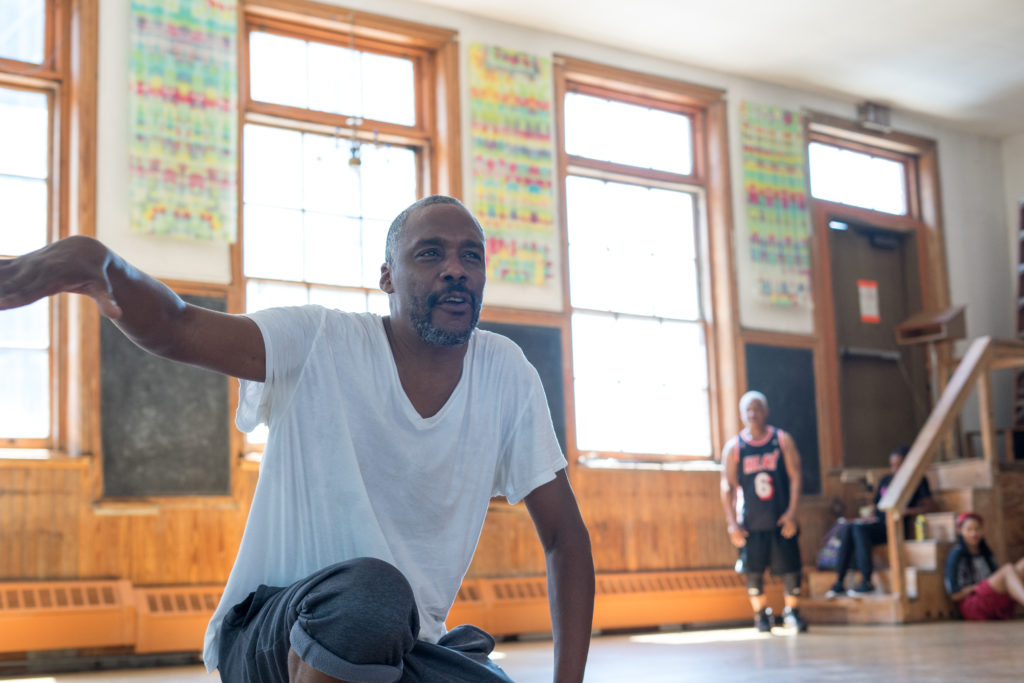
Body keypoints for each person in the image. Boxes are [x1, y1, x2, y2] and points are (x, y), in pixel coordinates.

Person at [0, 195, 595, 682]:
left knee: (469, 669)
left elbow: (565, 538)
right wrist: (97, 265)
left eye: (471, 256)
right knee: (373, 596)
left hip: (400, 639)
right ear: (387, 276)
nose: (456, 268)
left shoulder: (506, 373)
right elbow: (178, 327)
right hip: (270, 627)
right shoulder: (320, 341)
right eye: (430, 253)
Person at [720, 390, 808, 633]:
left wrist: (792, 512)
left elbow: (796, 476)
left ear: (766, 411)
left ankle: (793, 611)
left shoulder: (781, 440)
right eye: (748, 409)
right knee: (753, 572)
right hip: (751, 520)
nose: (753, 414)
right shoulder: (735, 447)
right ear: (741, 415)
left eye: (757, 408)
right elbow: (726, 486)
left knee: (791, 569)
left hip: (780, 517)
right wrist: (732, 523)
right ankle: (761, 614)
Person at [825, 446, 935, 598]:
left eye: (899, 465)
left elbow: (928, 506)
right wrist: (870, 515)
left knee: (858, 529)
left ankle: (867, 581)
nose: (895, 469)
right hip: (878, 523)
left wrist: (906, 512)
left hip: (896, 526)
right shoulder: (885, 480)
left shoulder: (917, 480)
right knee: (849, 527)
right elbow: (876, 505)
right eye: (892, 465)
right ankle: (839, 582)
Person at [945, 512, 1024, 621]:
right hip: (973, 603)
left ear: (982, 531)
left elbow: (996, 580)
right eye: (969, 530)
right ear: (960, 531)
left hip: (993, 598)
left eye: (977, 529)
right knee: (1008, 569)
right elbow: (953, 595)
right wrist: (974, 587)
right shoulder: (956, 554)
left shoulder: (985, 552)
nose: (974, 533)